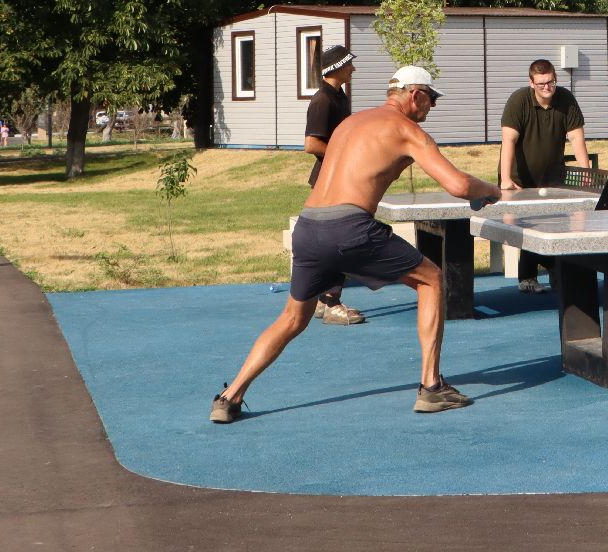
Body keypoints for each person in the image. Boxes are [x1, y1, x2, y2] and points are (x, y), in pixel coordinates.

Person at [210, 66, 501, 422]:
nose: (432, 107)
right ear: (414, 95)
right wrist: (490, 190)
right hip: (349, 227)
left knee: (291, 318)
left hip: (309, 225)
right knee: (432, 279)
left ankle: (230, 397)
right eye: (432, 99)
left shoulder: (349, 124)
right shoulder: (408, 130)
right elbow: (457, 185)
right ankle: (431, 386)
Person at [498, 59, 590, 293]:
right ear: (531, 83)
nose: (547, 87)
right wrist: (505, 179)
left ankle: (558, 272)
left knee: (559, 224)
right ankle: (528, 278)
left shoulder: (566, 99)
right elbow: (508, 140)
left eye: (551, 82)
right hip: (520, 180)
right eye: (541, 84)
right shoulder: (518, 101)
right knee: (530, 226)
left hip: (552, 176)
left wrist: (587, 174)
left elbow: (577, 139)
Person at [301, 44, 365, 325]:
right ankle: (331, 302)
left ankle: (319, 298)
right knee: (339, 242)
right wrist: (344, 155)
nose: (353, 69)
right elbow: (311, 144)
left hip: (341, 178)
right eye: (349, 64)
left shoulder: (341, 96)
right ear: (336, 68)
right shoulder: (322, 101)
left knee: (333, 241)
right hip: (328, 182)